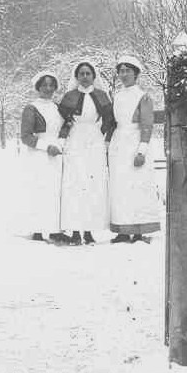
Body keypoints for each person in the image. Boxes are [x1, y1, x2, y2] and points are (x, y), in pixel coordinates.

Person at [58, 62, 114, 245]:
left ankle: (89, 230)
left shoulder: (102, 95)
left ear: (93, 76)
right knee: (75, 183)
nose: (84, 76)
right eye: (81, 73)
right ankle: (74, 230)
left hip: (95, 140)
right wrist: (62, 138)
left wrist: (103, 134)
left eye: (88, 73)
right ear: (76, 76)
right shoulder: (69, 96)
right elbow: (62, 120)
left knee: (93, 184)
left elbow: (110, 119)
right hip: (75, 139)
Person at [108, 55, 161, 243]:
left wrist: (142, 151)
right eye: (121, 71)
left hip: (135, 143)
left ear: (136, 73)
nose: (124, 74)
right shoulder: (117, 96)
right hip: (119, 144)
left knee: (137, 186)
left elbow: (147, 125)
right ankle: (123, 230)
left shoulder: (143, 97)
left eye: (127, 71)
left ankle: (138, 231)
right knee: (120, 188)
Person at [20, 71, 69, 245]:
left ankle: (55, 230)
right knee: (40, 191)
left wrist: (60, 144)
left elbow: (65, 128)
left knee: (56, 193)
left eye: (51, 85)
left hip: (57, 153)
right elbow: (26, 136)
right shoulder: (31, 108)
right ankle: (38, 230)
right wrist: (45, 147)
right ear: (38, 87)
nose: (48, 89)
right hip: (39, 155)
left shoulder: (58, 107)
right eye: (44, 85)